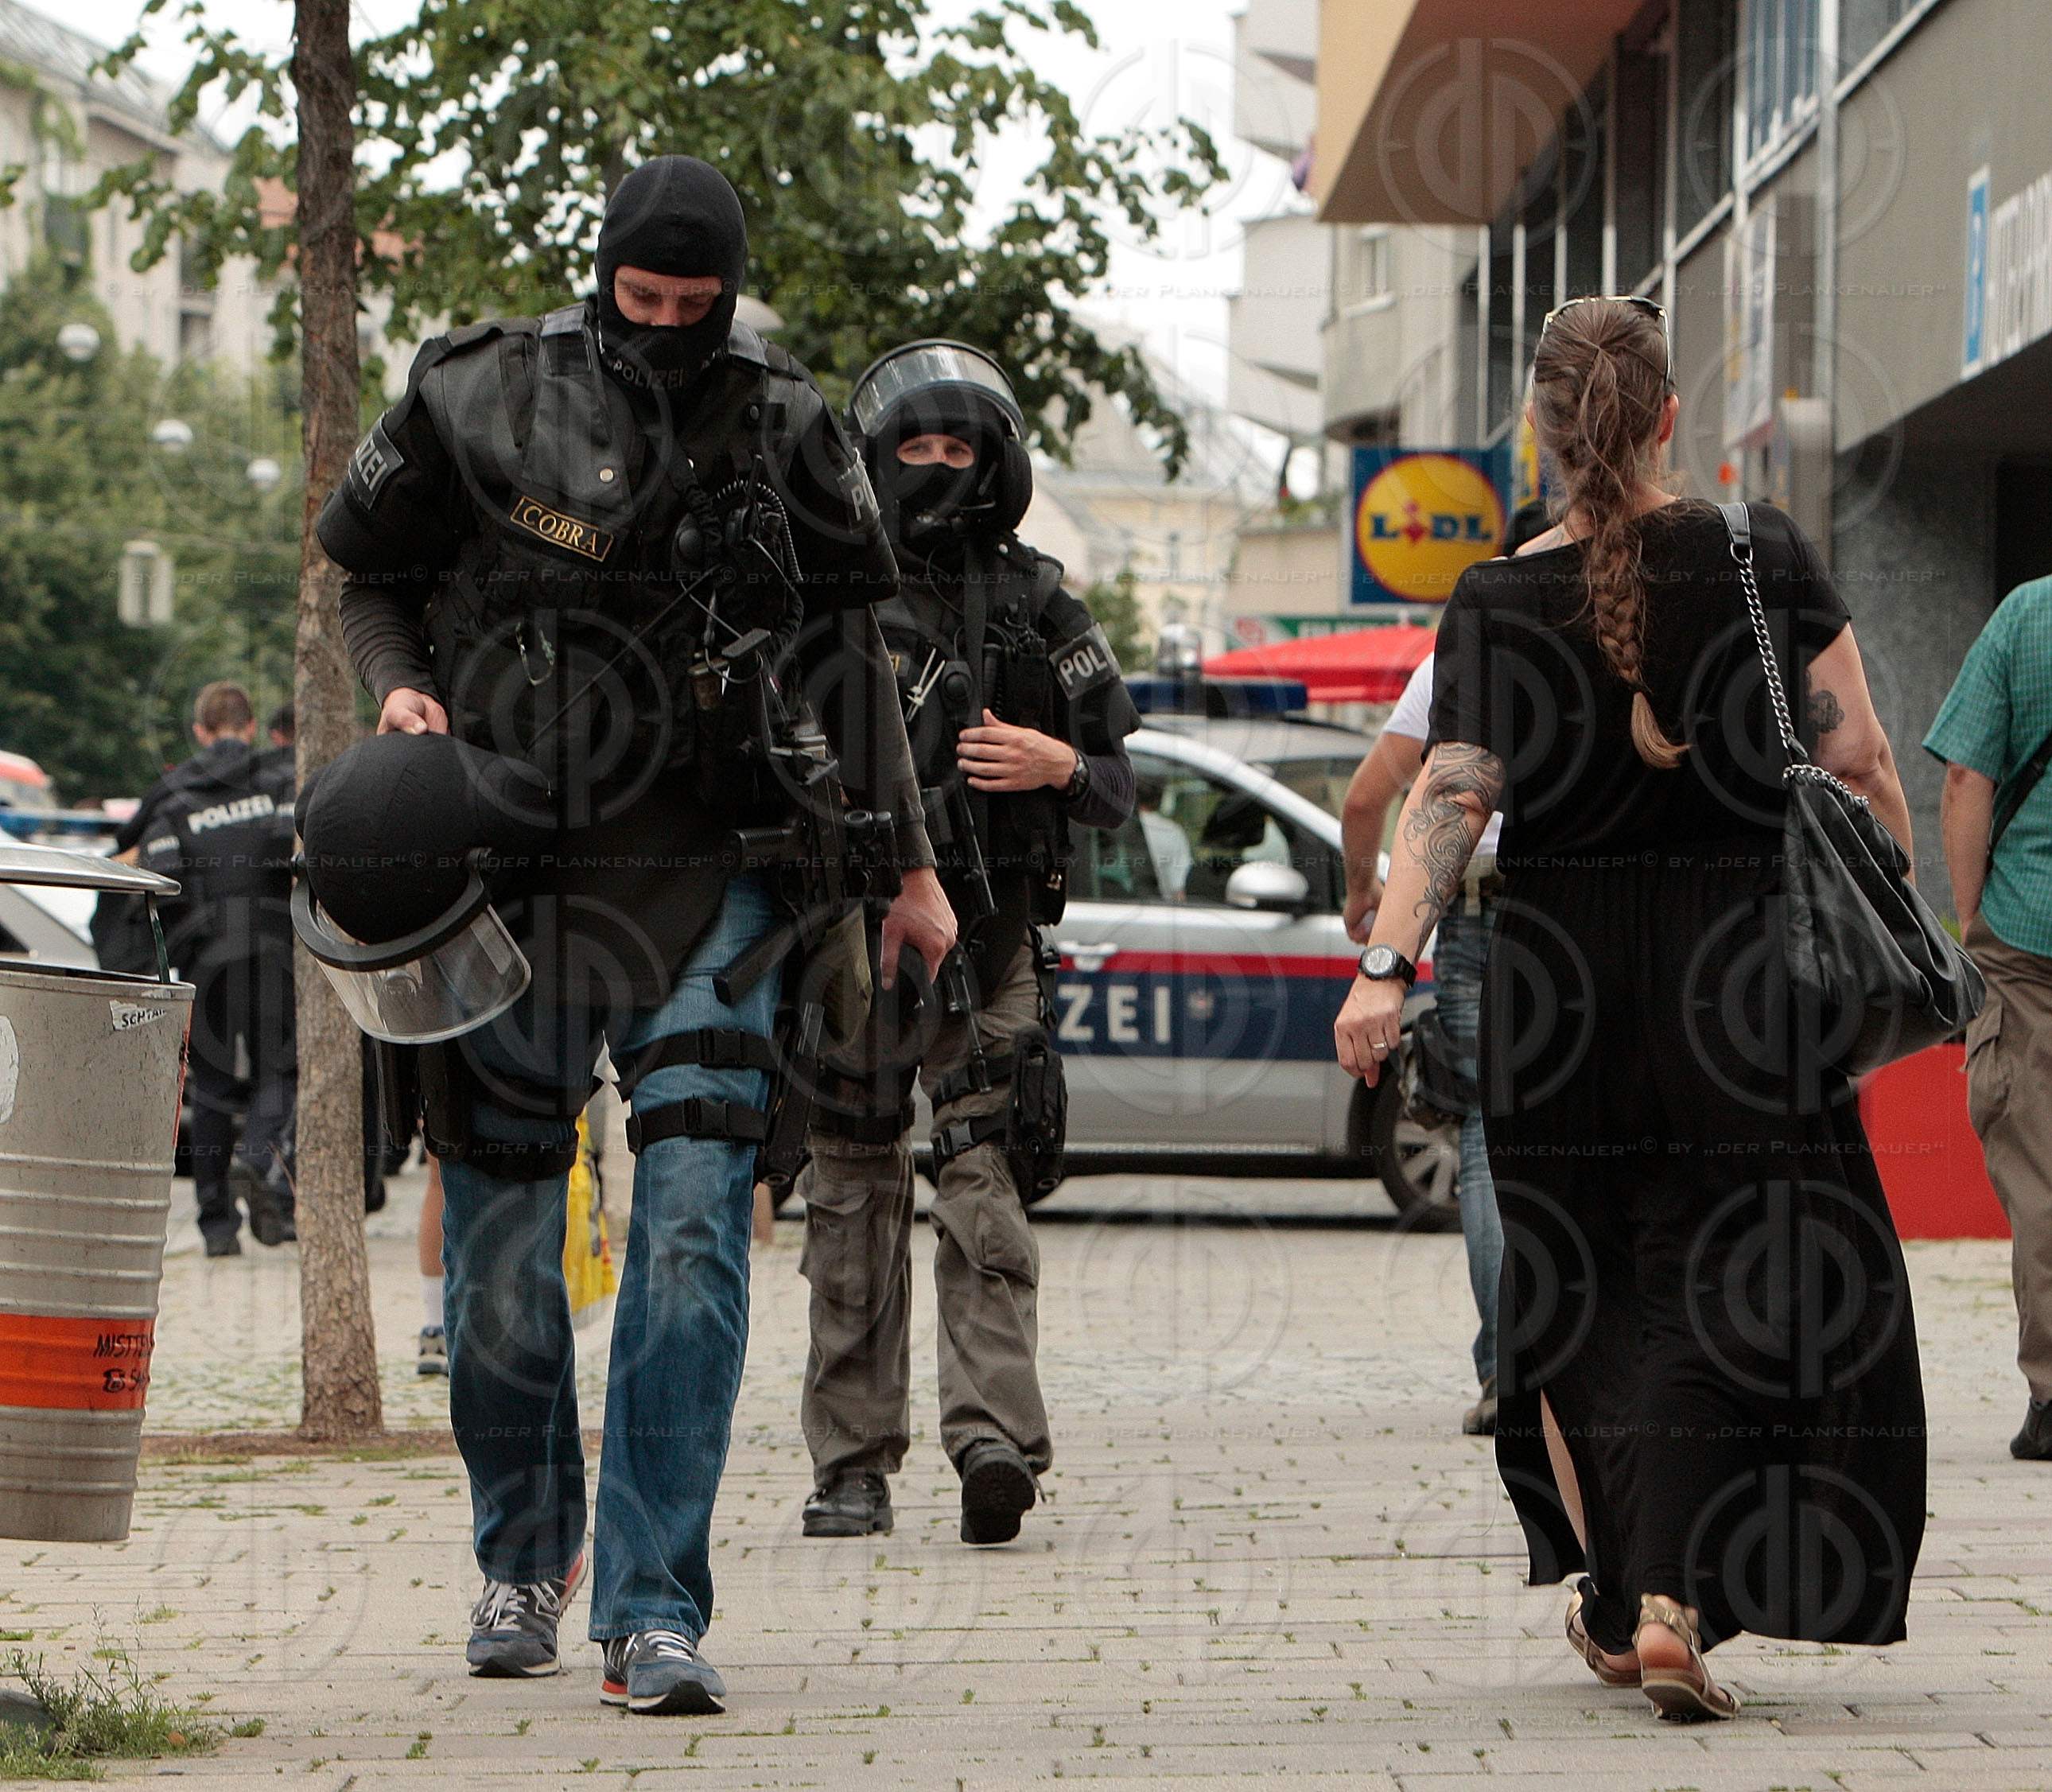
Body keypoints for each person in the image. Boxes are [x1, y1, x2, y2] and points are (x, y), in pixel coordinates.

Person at [312, 155, 954, 1716]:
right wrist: (395, 686)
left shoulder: (793, 425)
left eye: (695, 303)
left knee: (686, 1226)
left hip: (709, 865)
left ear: (730, 290)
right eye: (639, 298)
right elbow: (367, 571)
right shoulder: (474, 392)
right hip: (504, 869)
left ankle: (657, 1601)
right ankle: (525, 1557)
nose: (665, 325)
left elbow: (853, 652)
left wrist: (913, 869)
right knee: (508, 1255)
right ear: (598, 272)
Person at [1335, 297, 1927, 1721]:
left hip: (1555, 986)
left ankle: (1624, 1584)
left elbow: (1453, 790)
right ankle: (1666, 1589)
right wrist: (1896, 907)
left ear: (1539, 431)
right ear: (1672, 417)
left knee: (1581, 1282)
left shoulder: (1488, 596)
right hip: (1737, 977)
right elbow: (1861, 758)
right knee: (1732, 1278)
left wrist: (1383, 962)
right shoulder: (1759, 550)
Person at [796, 340, 1137, 1548]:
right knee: (853, 1189)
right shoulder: (825, 595)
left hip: (993, 943)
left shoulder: (1042, 601)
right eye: (914, 449)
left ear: (997, 461)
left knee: (985, 1173)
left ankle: (994, 1439)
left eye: (960, 449)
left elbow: (1118, 783)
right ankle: (850, 1462)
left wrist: (1060, 764)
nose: (938, 469)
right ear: (874, 459)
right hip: (856, 948)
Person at [1339, 649, 1506, 1435]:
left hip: (1477, 909)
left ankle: (1511, 1371)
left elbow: (1368, 796)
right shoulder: (1627, 617)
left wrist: (1363, 893)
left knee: (1485, 1134)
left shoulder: (1468, 648)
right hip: (1592, 911)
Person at [1925, 573, 2052, 1460]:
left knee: (2041, 1176)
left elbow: (1967, 774)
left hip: (2026, 937)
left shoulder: (2028, 614)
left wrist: (1972, 922)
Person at [115, 681, 297, 1257]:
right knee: (280, 1072)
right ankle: (256, 1156)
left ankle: (217, 1230)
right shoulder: (276, 779)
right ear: (249, 727)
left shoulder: (173, 791)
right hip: (272, 952)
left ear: (199, 732)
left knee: (213, 1092)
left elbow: (133, 856)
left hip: (205, 960)